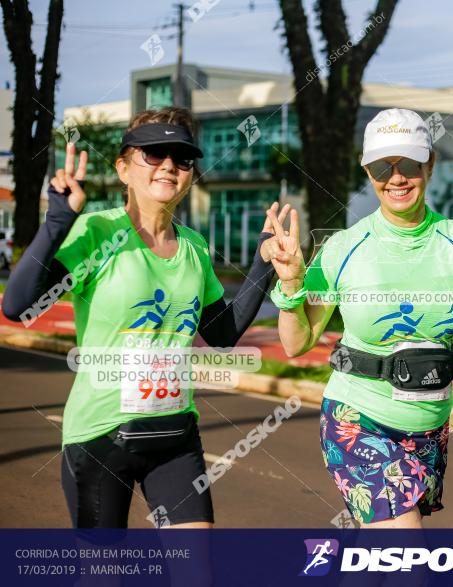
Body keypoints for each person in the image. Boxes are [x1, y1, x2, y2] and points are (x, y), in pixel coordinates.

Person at [266, 108, 453, 528]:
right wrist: (292, 289)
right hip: (358, 421)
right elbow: (296, 343)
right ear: (368, 170)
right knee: (406, 557)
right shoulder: (343, 247)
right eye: (384, 165)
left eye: (409, 164)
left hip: (429, 428)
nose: (396, 177)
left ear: (430, 165)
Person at [2, 107, 286, 528]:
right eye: (153, 154)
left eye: (182, 157)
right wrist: (59, 221)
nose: (169, 165)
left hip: (175, 436)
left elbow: (221, 334)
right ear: (123, 167)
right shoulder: (97, 232)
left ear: (190, 173)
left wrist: (263, 264)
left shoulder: (194, 247)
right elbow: (17, 305)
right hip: (100, 436)